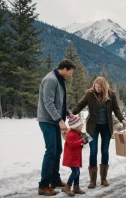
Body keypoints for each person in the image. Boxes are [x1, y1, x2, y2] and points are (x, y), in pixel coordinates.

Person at [71, 77, 126, 188]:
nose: (97, 88)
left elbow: (116, 109)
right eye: (95, 86)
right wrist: (72, 113)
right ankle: (92, 180)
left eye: (99, 87)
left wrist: (123, 120)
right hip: (92, 127)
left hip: (106, 127)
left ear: (103, 87)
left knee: (105, 151)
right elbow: (80, 105)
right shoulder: (89, 94)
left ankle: (103, 178)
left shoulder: (111, 95)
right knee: (93, 151)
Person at [37, 59, 76, 196]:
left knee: (58, 150)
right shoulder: (50, 80)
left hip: (54, 121)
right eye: (70, 72)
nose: (70, 75)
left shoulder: (59, 80)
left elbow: (59, 102)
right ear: (64, 69)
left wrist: (68, 113)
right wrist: (60, 120)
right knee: (51, 152)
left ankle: (55, 180)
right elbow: (48, 103)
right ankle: (43, 186)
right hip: (47, 121)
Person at [62, 116, 87, 196]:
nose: (82, 126)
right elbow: (72, 145)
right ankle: (67, 187)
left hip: (75, 157)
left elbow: (78, 143)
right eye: (80, 125)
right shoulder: (71, 135)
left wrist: (84, 141)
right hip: (71, 158)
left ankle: (76, 187)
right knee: (75, 172)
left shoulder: (77, 133)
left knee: (77, 172)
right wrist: (81, 141)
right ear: (75, 126)